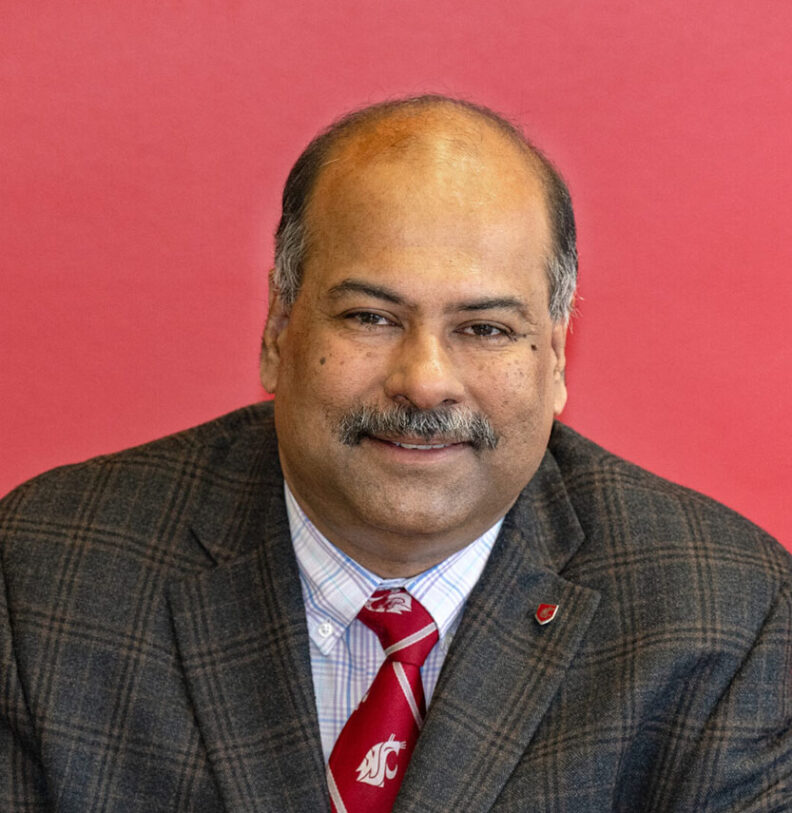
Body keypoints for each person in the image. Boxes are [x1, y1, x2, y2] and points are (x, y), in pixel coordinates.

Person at [1, 95, 789, 812]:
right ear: (279, 328)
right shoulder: (43, 580)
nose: (424, 381)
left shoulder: (727, 620)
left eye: (485, 329)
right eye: (371, 317)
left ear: (553, 359)